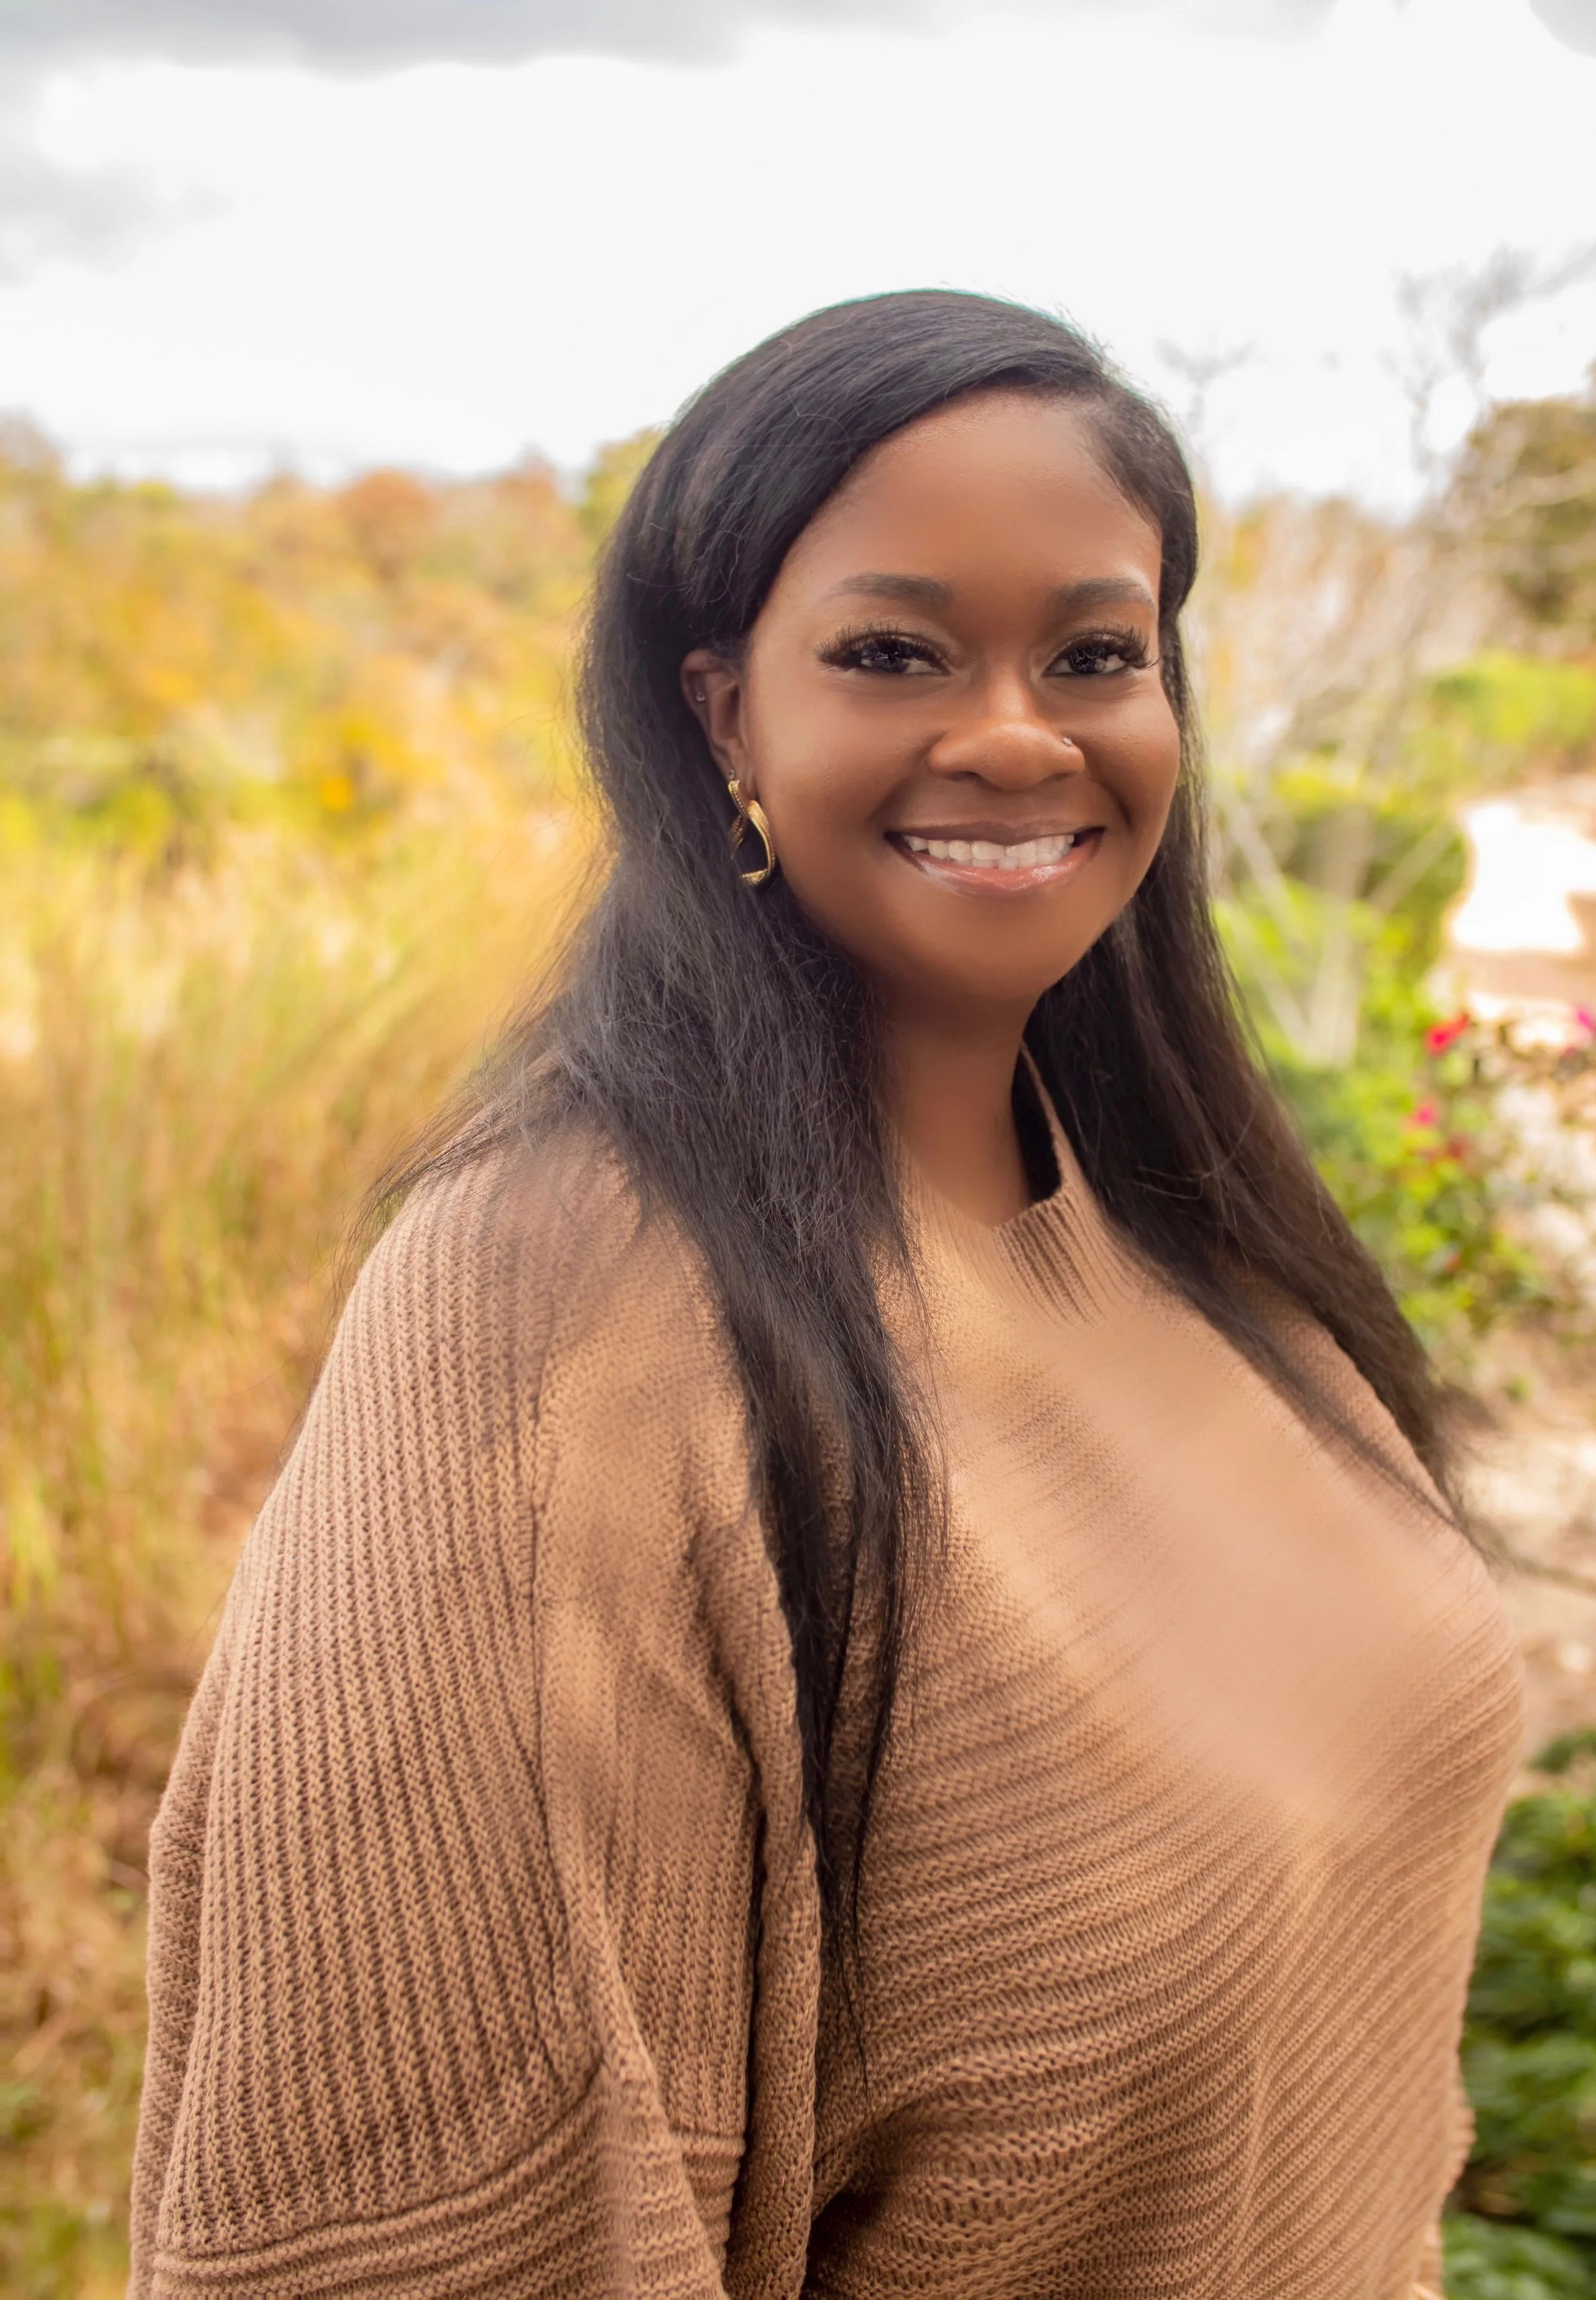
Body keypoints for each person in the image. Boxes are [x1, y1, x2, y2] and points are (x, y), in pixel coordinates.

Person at [130, 290, 1521, 2299]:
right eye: (891, 652)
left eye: (1094, 654)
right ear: (721, 714)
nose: (1017, 733)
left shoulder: (1174, 1217)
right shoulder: (554, 1309)